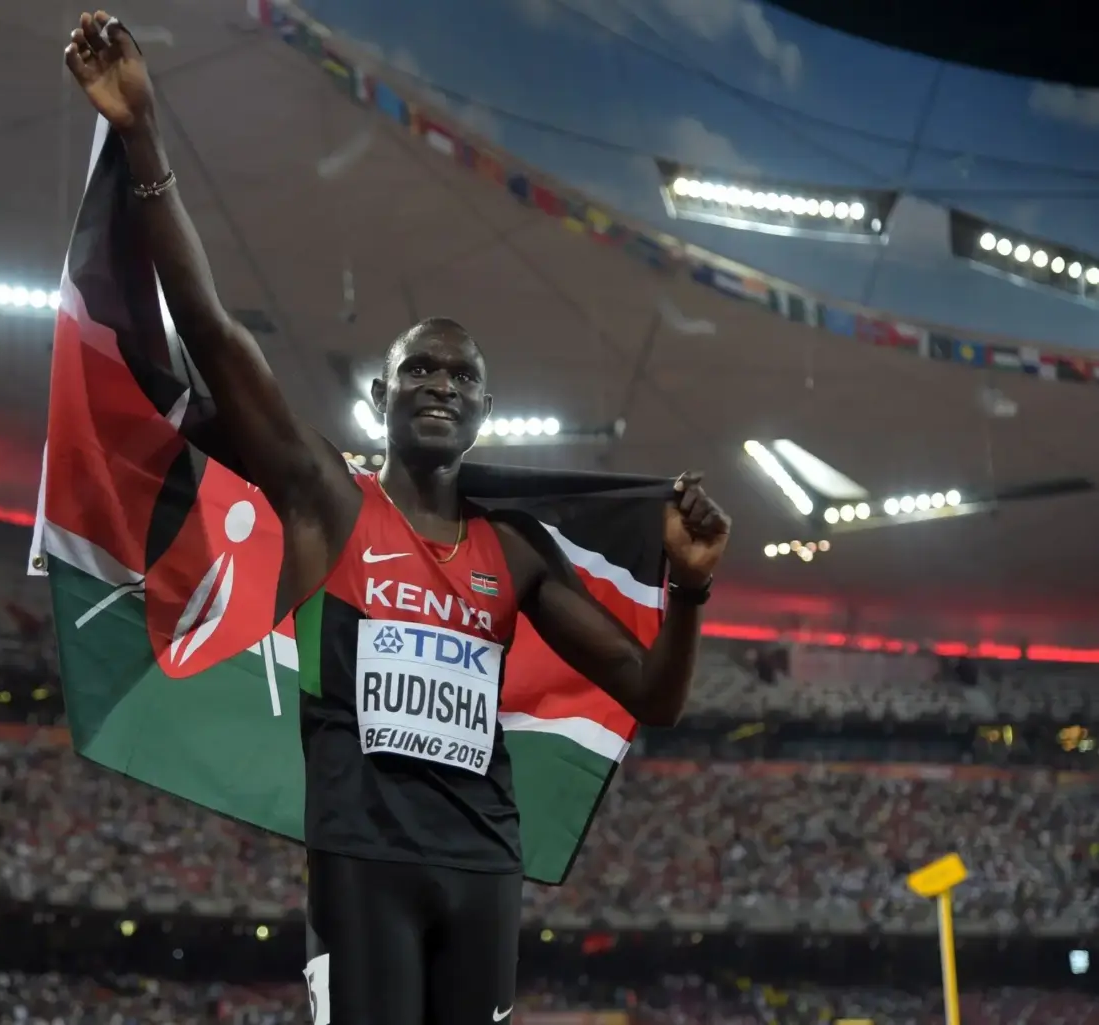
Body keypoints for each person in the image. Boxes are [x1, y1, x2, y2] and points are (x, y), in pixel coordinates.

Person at [65, 13, 731, 1024]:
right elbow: (211, 329)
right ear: (381, 395)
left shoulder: (513, 551)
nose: (438, 385)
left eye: (459, 377)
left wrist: (688, 589)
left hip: (482, 860)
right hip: (361, 855)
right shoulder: (328, 499)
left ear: (482, 410)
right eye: (419, 369)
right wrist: (143, 134)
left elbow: (654, 694)